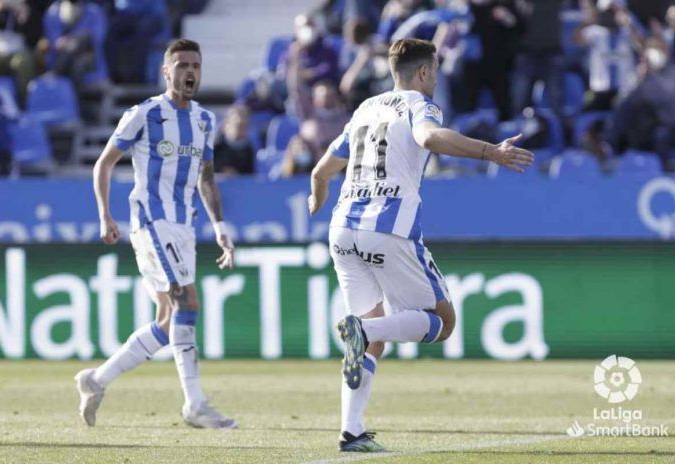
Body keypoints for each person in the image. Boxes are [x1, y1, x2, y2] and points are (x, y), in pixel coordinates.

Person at [308, 38, 533, 452]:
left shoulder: (364, 108)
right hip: (387, 227)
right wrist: (490, 152)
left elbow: (323, 167)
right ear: (424, 72)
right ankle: (362, 330)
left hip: (342, 228)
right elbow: (429, 138)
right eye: (436, 69)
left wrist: (317, 191)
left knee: (371, 339)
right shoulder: (419, 104)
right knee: (441, 322)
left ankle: (351, 431)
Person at [76, 39, 238, 429]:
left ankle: (95, 380)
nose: (190, 72)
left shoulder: (204, 120)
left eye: (195, 65)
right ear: (166, 71)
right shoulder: (144, 114)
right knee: (187, 302)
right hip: (150, 220)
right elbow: (103, 164)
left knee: (168, 320)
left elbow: (206, 178)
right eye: (182, 65)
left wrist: (219, 227)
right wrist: (105, 216)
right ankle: (194, 404)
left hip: (183, 225)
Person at [213, 105, 255, 175]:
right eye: (238, 126)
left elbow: (249, 175)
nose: (242, 130)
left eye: (244, 126)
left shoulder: (248, 150)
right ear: (226, 125)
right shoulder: (216, 147)